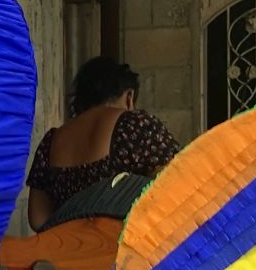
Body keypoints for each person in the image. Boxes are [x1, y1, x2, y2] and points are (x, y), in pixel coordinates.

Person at [26, 57, 179, 231]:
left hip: (67, 246)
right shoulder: (134, 125)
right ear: (129, 96)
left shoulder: (51, 141)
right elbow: (174, 186)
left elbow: (38, 219)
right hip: (121, 244)